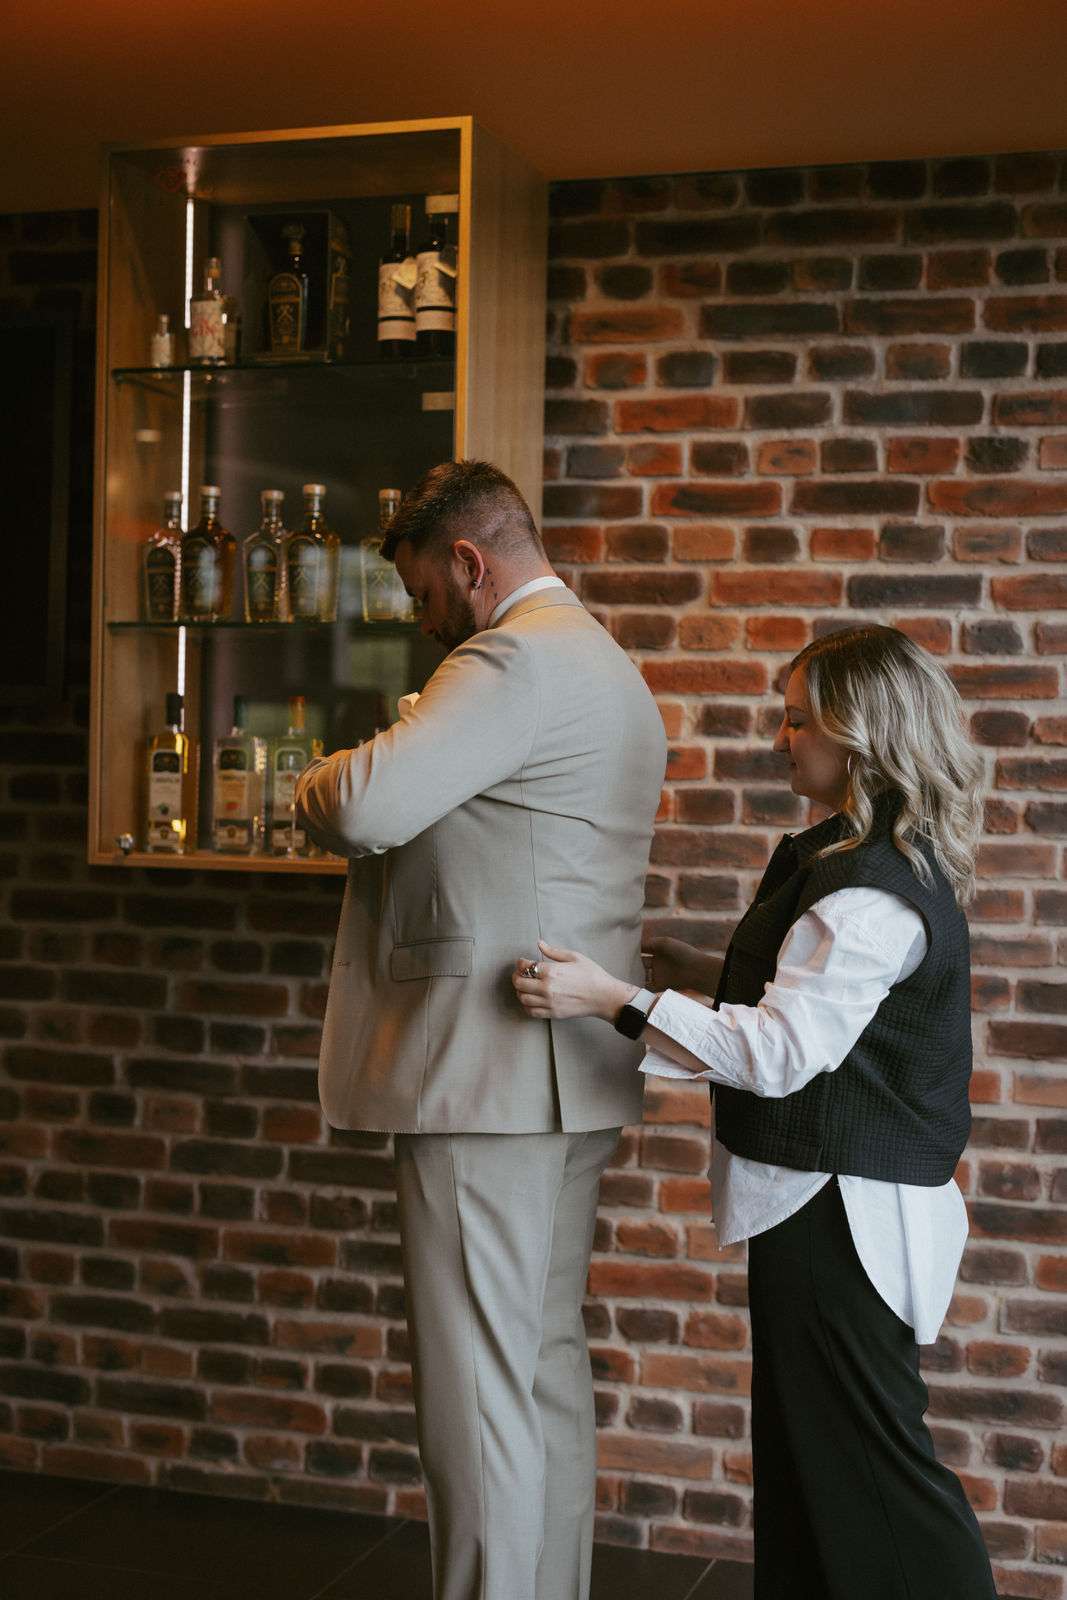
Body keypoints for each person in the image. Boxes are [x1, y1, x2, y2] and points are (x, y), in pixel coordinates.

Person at [513, 624, 997, 1600]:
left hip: (839, 1217)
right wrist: (707, 973)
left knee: (872, 1472)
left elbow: (780, 1055)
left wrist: (610, 999)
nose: (781, 739)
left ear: (857, 735)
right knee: (807, 1463)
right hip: (827, 1207)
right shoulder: (855, 855)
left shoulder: (866, 893)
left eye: (797, 720)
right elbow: (807, 1007)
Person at [294, 459, 667, 1600]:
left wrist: (316, 773)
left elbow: (360, 804)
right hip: (561, 1075)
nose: (422, 624)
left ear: (469, 561)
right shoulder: (606, 665)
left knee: (471, 1397)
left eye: (422, 597)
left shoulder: (507, 657)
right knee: (537, 1372)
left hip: (483, 1072)